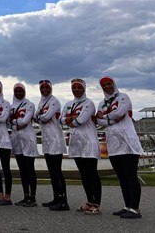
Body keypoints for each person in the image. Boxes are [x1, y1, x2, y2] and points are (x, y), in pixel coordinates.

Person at [96, 76, 143, 219]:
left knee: (131, 176)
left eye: (109, 84)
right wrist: (110, 119)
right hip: (114, 144)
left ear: (114, 84)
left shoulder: (123, 97)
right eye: (104, 85)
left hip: (127, 142)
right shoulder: (101, 103)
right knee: (122, 177)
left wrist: (105, 117)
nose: (106, 87)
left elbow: (120, 112)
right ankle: (127, 205)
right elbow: (99, 122)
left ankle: (135, 208)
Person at [62, 78, 101, 215]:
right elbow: (61, 120)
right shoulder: (68, 104)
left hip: (88, 143)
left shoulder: (89, 103)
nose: (76, 90)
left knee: (92, 174)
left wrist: (70, 119)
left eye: (79, 87)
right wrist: (72, 118)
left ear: (84, 88)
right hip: (76, 143)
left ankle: (97, 204)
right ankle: (89, 201)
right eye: (74, 88)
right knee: (84, 175)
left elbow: (81, 120)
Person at [34, 79, 68, 211]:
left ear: (51, 88)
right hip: (47, 138)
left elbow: (44, 117)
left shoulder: (54, 101)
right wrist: (39, 116)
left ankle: (63, 200)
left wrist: (39, 116)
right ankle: (56, 197)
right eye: (42, 88)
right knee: (51, 171)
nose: (44, 90)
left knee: (57, 171)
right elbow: (36, 117)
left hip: (55, 138)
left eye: (46, 88)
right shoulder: (42, 102)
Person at [10, 83, 39, 207]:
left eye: (21, 91)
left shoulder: (29, 105)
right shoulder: (11, 107)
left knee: (29, 169)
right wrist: (17, 123)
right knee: (22, 170)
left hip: (28, 139)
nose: (18, 93)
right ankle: (25, 195)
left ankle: (32, 198)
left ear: (24, 91)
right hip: (16, 139)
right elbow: (8, 123)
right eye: (16, 91)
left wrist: (15, 122)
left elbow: (26, 121)